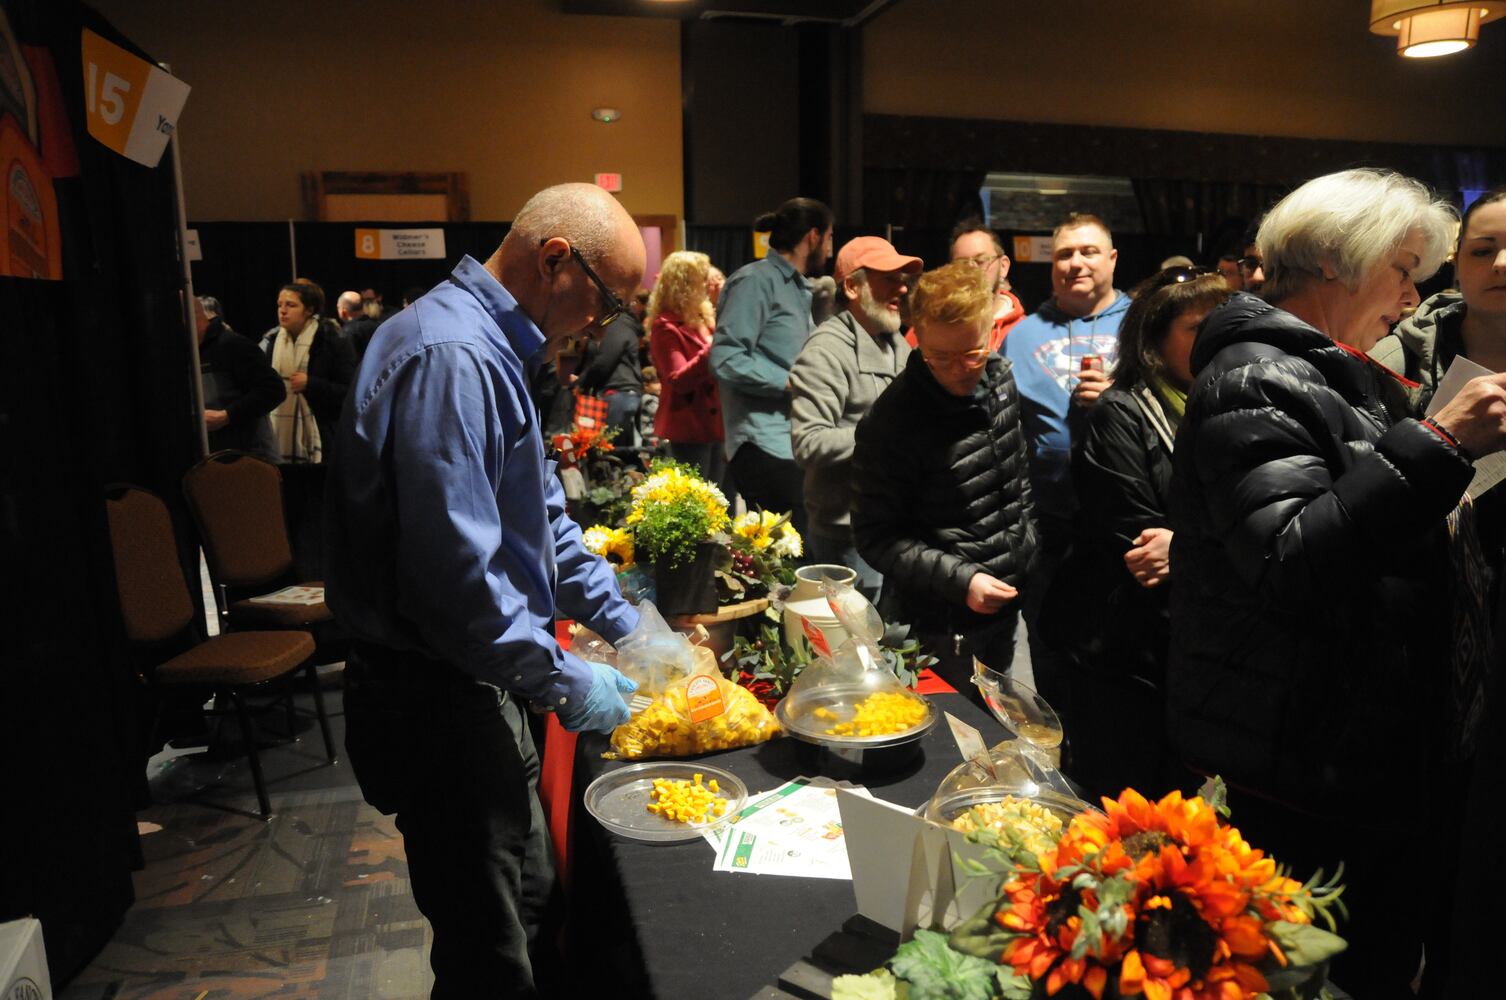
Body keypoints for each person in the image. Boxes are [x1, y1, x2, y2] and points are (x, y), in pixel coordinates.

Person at [1167, 168, 1506, 996]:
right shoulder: (1256, 377)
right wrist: (1437, 442)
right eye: (1401, 269)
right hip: (1297, 765)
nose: (1410, 293)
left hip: (1346, 749)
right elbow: (1289, 560)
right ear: (1335, 262)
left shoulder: (1335, 371)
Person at [326, 182, 647, 999]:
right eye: (609, 302)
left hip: (470, 683)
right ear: (553, 261)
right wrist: (565, 678)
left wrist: (628, 623)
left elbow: (536, 518)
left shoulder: (488, 345)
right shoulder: (453, 356)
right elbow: (458, 586)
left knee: (531, 909)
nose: (602, 326)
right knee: (490, 955)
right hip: (434, 693)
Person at [1045, 267, 1231, 799]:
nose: (1216, 338)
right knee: (1122, 807)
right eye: (1198, 328)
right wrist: (1207, 545)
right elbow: (1143, 545)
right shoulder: (1121, 412)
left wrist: (1189, 545)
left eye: (1224, 323)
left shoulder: (1226, 403)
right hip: (1123, 654)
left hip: (1196, 653)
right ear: (1154, 341)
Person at [851, 261, 1035, 702]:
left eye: (971, 353)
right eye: (941, 357)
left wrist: (1026, 551)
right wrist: (962, 581)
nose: (958, 370)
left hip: (1004, 606)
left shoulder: (1001, 380)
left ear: (990, 331)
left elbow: (1017, 483)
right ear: (919, 337)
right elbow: (876, 536)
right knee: (950, 745)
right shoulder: (892, 420)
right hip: (937, 624)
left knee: (996, 728)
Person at [1004, 212, 1131, 714]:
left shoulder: (1146, 321)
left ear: (1113, 259)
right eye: (1064, 254)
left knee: (1117, 658)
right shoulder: (1022, 334)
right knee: (1048, 650)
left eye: (1089, 251)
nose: (1075, 263)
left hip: (1124, 523)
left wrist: (1122, 395)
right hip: (1048, 524)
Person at [790, 236, 921, 597]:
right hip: (848, 534)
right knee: (854, 645)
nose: (902, 287)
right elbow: (808, 442)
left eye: (903, 278)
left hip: (895, 525)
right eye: (889, 278)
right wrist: (883, 432)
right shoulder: (826, 350)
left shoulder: (895, 342)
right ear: (852, 286)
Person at [711, 197, 833, 538]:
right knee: (784, 559)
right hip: (763, 443)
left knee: (797, 554)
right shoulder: (755, 281)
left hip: (790, 442)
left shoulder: (799, 288)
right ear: (812, 237)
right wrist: (791, 381)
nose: (830, 248)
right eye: (829, 238)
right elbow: (726, 358)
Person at [646, 250, 727, 489]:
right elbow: (678, 379)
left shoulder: (705, 318)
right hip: (688, 428)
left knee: (720, 502)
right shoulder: (665, 326)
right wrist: (713, 349)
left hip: (716, 426)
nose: (707, 284)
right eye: (701, 279)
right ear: (684, 284)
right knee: (698, 503)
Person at [259, 281, 356, 462]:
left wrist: (310, 383)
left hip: (324, 434)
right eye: (280, 305)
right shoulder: (272, 341)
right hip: (278, 434)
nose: (283, 310)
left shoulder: (333, 340)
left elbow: (349, 390)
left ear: (309, 310)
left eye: (291, 305)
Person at [195, 294, 284, 460]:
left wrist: (227, 415)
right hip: (215, 457)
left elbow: (274, 390)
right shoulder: (189, 352)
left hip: (250, 457)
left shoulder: (233, 345)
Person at [921, 217, 1023, 354]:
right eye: (961, 264)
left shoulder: (1026, 332)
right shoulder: (930, 328)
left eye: (980, 261)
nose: (971, 270)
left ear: (1003, 266)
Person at [574, 308, 643, 446]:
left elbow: (604, 362)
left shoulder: (618, 325)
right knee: (622, 452)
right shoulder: (626, 326)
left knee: (602, 450)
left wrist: (581, 383)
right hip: (628, 394)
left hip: (617, 394)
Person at [338, 288, 381, 363]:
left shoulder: (347, 332)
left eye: (338, 307)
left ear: (343, 312)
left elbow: (349, 362)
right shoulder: (378, 326)